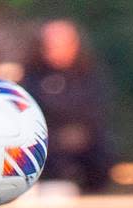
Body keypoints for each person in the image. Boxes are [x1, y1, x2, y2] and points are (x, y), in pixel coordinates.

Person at [23, 19, 113, 193]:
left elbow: (95, 113)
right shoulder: (32, 78)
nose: (57, 51)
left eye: (63, 44)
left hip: (88, 155)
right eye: (52, 45)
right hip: (48, 155)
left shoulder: (90, 76)